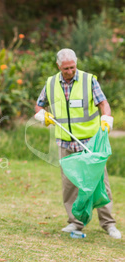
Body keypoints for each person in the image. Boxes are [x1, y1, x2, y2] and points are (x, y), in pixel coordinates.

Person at [34, 48, 121, 239]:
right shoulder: (50, 83)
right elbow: (40, 104)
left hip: (89, 143)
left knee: (99, 183)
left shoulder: (89, 80)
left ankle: (108, 224)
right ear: (59, 66)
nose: (70, 71)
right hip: (65, 143)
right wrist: (42, 114)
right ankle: (75, 223)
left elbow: (103, 103)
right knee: (70, 185)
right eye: (66, 69)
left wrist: (106, 117)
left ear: (76, 63)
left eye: (72, 67)